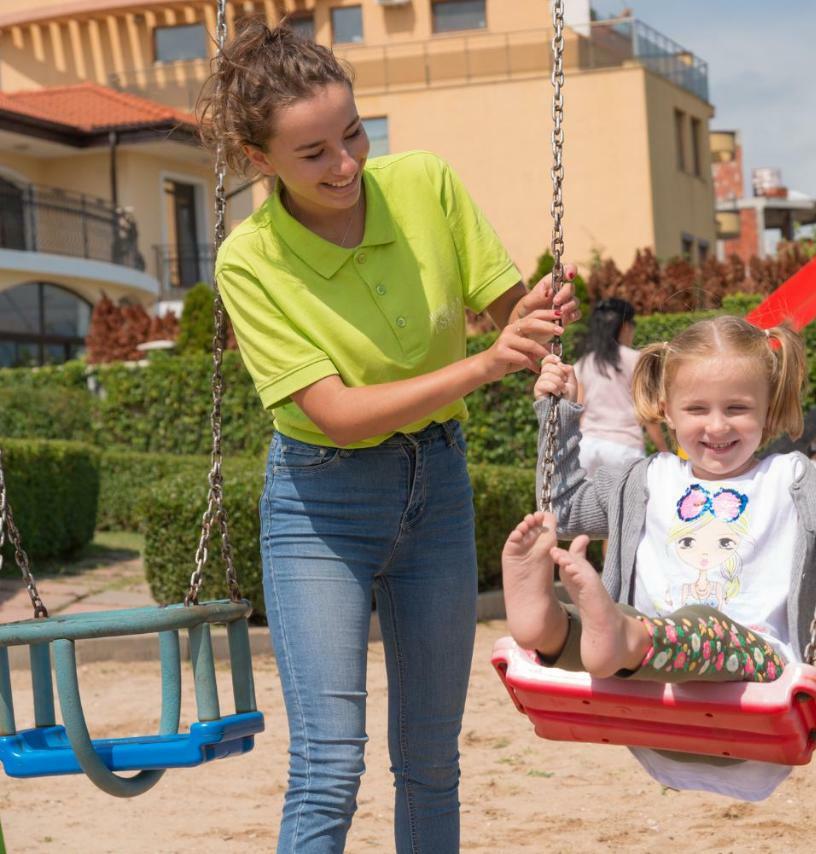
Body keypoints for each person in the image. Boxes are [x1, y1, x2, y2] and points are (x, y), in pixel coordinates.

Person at [196, 22, 580, 854]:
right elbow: (335, 410)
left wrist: (537, 313)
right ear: (261, 161)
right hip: (320, 506)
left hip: (438, 490)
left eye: (353, 134)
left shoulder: (426, 184)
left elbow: (506, 310)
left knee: (432, 761)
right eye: (312, 154)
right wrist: (485, 365)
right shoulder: (249, 260)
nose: (345, 165)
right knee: (330, 766)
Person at [501, 316, 816, 801]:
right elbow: (563, 508)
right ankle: (544, 624)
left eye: (737, 408)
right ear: (667, 411)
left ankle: (617, 635)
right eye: (697, 408)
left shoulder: (794, 483)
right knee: (600, 626)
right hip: (645, 689)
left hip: (755, 671)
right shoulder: (644, 481)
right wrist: (558, 415)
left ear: (768, 408)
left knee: (691, 626)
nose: (717, 426)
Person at [574, 297, 668, 474]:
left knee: (587, 502)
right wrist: (664, 450)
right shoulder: (636, 360)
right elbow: (646, 411)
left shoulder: (583, 363)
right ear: (625, 327)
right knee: (627, 501)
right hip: (624, 447)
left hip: (587, 445)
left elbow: (578, 408)